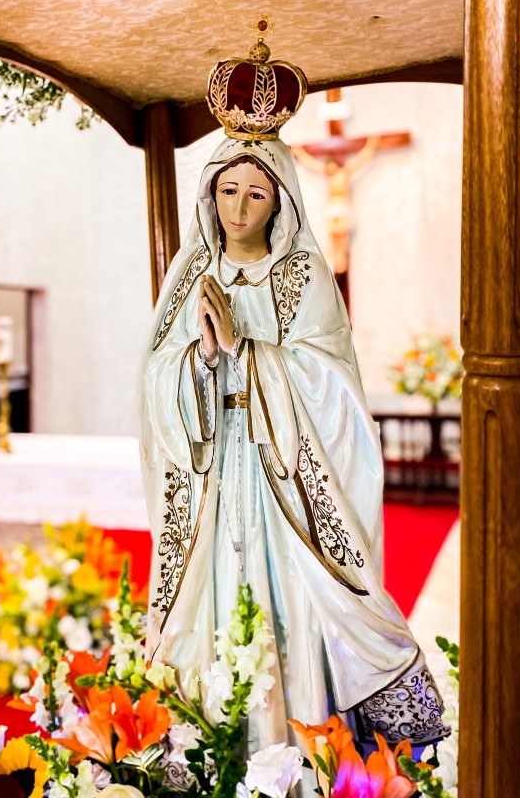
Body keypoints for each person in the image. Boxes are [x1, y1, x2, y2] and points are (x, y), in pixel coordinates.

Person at [140, 40, 447, 755]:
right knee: (216, 596)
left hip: (286, 481)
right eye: (228, 190)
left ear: (280, 198)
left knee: (297, 600)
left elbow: (333, 383)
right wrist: (198, 359)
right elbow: (154, 379)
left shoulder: (304, 276)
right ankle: (219, 749)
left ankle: (302, 740)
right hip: (217, 473)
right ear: (209, 194)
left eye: (256, 193)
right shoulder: (189, 277)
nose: (239, 207)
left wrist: (245, 351)